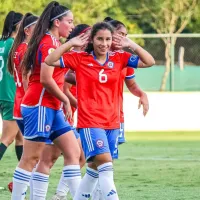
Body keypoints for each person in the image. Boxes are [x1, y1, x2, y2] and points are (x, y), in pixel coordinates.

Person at [45, 21, 155, 200]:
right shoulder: (80, 59)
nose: (104, 44)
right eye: (100, 39)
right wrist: (71, 44)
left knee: (93, 171)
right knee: (106, 166)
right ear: (92, 40)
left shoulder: (120, 58)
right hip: (90, 123)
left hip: (112, 123)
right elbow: (50, 60)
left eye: (108, 39)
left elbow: (149, 61)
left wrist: (131, 45)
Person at [11, 2, 83, 200]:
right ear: (57, 22)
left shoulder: (54, 42)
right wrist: (66, 100)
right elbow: (45, 78)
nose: (71, 25)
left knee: (73, 152)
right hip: (40, 105)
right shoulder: (48, 43)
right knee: (31, 158)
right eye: (69, 21)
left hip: (51, 106)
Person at [51, 23, 91, 200]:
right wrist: (82, 106)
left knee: (75, 156)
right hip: (61, 111)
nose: (90, 39)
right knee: (76, 156)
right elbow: (65, 88)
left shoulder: (83, 55)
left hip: (68, 111)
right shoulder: (70, 56)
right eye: (89, 35)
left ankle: (60, 194)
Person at [7, 12, 38, 195]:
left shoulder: (18, 49)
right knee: (34, 155)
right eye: (37, 28)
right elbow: (26, 79)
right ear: (27, 30)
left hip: (19, 104)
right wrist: (32, 101)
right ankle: (21, 188)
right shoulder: (26, 49)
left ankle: (20, 188)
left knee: (31, 153)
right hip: (26, 104)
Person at [0, 11, 23, 162]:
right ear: (17, 25)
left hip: (2, 93)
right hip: (11, 95)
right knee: (6, 139)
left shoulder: (1, 43)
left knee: (21, 138)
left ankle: (24, 177)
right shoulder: (15, 45)